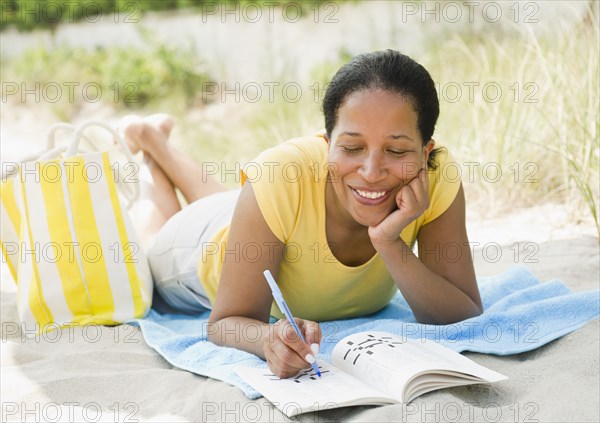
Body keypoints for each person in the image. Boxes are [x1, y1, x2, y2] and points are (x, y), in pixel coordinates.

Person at [120, 50, 483, 380]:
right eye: (352, 147)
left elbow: (462, 312)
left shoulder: (437, 176)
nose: (372, 171)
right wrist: (267, 341)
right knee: (150, 241)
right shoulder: (281, 172)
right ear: (326, 144)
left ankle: (154, 140)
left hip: (258, 214)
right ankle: (152, 155)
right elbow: (224, 323)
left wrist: (389, 242)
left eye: (397, 150)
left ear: (426, 151)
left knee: (237, 201)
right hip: (197, 250)